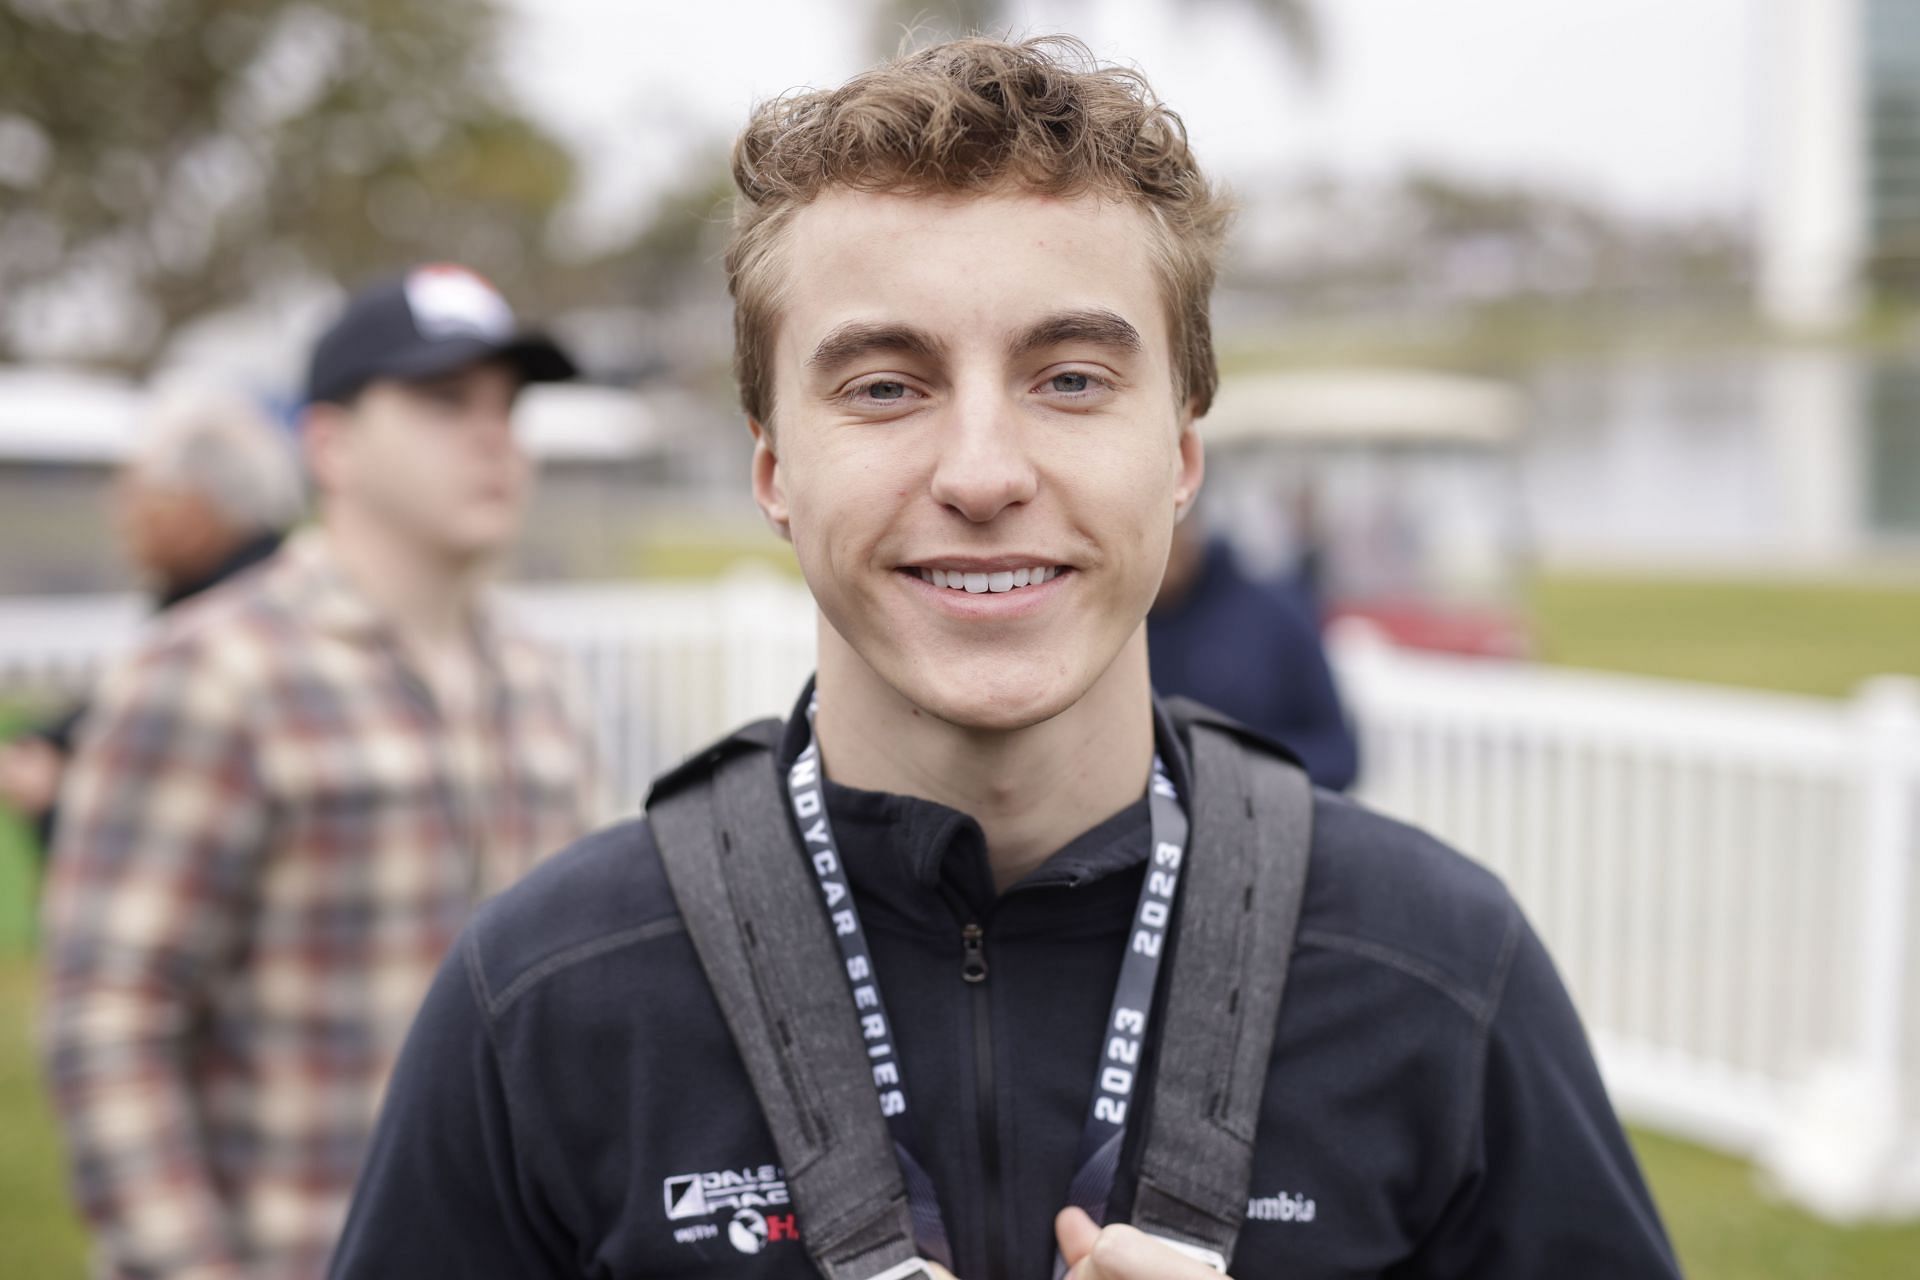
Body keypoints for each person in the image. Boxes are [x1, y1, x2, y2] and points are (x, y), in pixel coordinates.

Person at [331, 41, 1679, 1280]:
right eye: (884, 386)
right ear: (773, 468)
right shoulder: (550, 994)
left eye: (1073, 378)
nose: (983, 473)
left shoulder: (1434, 967)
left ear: (1185, 458)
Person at [43, 264, 603, 1279]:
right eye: (443, 400)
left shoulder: (539, 678)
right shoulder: (210, 671)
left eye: (506, 406)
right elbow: (110, 1019)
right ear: (328, 443)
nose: (493, 437)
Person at [0, 384, 299, 856]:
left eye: (136, 490)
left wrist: (54, 805)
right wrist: (50, 740)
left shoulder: (224, 633)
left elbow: (172, 845)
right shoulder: (253, 595)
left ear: (195, 508)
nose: (118, 511)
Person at [1148, 516, 1358, 790]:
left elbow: (1339, 754)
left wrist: (1232, 768)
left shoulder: (1275, 617)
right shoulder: (1114, 630)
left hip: (1263, 815)